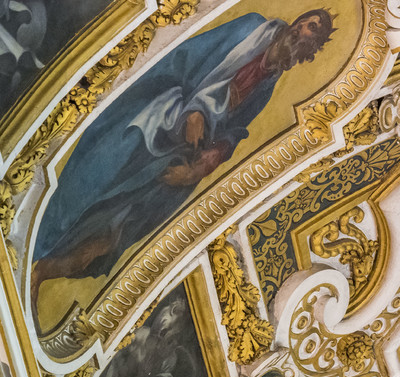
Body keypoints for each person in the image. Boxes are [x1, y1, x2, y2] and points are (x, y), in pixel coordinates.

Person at [33, 9, 335, 301]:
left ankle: (45, 270)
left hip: (186, 150)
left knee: (121, 230)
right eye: (306, 22)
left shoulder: (269, 84)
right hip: (158, 116)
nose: (303, 29)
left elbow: (236, 129)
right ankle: (38, 246)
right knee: (101, 179)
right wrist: (194, 109)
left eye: (313, 31)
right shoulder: (250, 29)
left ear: (311, 49)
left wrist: (213, 156)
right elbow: (188, 57)